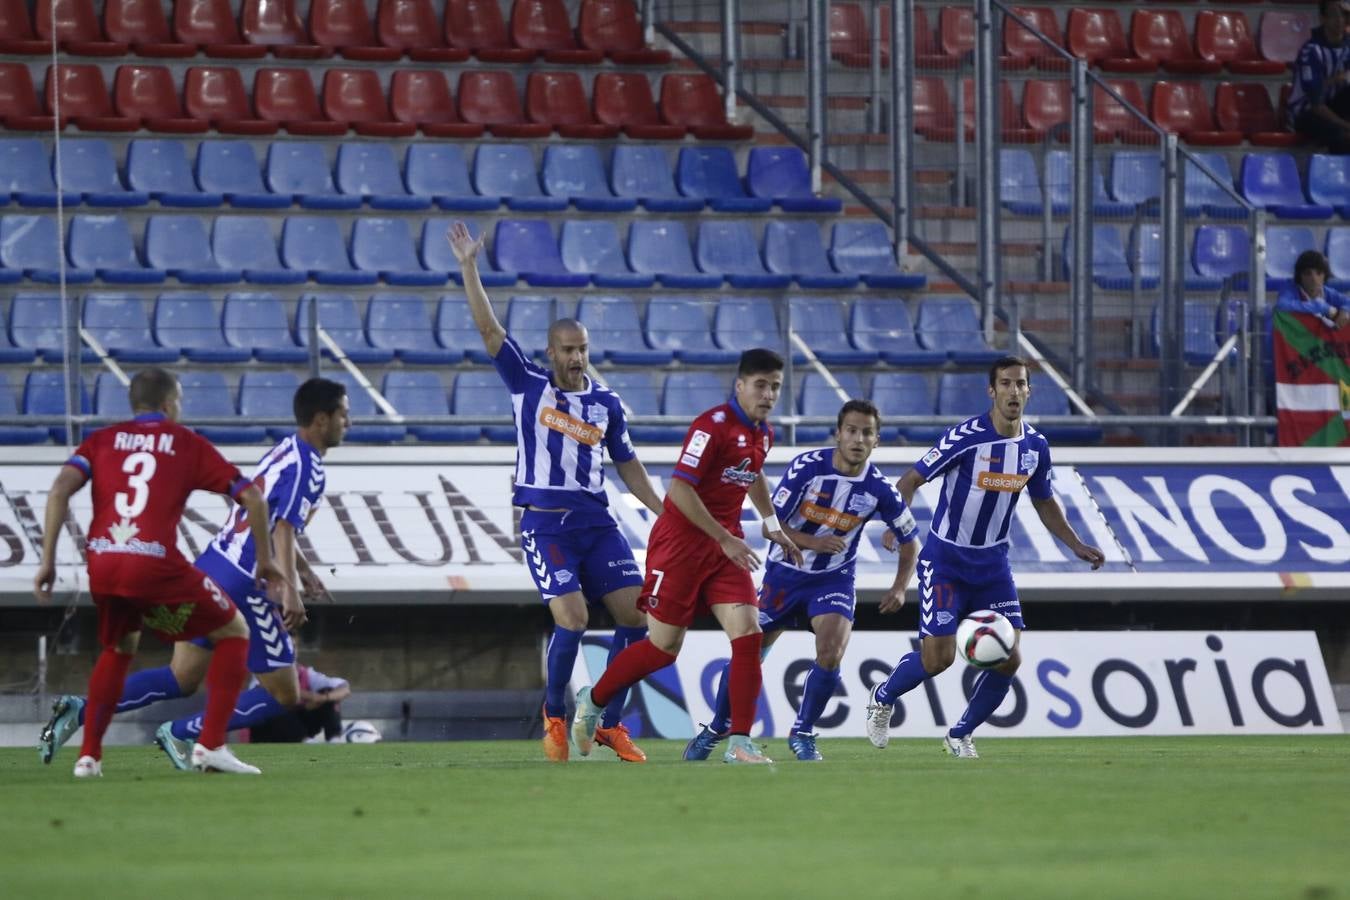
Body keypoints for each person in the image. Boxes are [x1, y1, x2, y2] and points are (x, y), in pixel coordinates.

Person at [38, 377, 348, 770]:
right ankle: (193, 736)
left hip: (212, 564)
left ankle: (81, 711)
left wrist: (303, 570)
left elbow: (271, 517)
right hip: (246, 579)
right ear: (321, 420)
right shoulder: (310, 468)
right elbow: (283, 527)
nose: (347, 423)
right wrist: (288, 588)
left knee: (181, 676)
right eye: (344, 415)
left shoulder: (285, 451)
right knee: (284, 693)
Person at [447, 221, 665, 764]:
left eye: (583, 350)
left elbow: (629, 466)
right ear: (550, 352)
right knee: (572, 619)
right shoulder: (527, 382)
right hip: (545, 523)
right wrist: (470, 268)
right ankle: (554, 718)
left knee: (638, 619)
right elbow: (490, 332)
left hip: (597, 524)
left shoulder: (607, 404)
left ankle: (608, 721)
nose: (576, 358)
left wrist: (668, 514)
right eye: (567, 350)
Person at [571, 349, 804, 765]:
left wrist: (770, 521)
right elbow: (679, 490)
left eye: (776, 387)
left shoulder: (762, 433)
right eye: (761, 385)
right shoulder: (710, 427)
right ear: (740, 385)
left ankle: (739, 743)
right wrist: (723, 538)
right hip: (680, 546)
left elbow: (752, 473)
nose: (768, 394)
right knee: (663, 648)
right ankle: (595, 698)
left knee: (748, 636)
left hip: (723, 550)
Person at [865, 357, 1105, 759]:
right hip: (945, 562)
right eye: (1006, 384)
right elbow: (909, 480)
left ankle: (959, 734)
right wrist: (897, 523)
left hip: (993, 567)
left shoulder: (1035, 447)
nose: (1014, 392)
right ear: (992, 391)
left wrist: (1075, 544)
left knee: (1009, 659)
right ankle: (884, 695)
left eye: (1021, 385)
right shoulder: (966, 438)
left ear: (1030, 391)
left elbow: (1045, 502)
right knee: (937, 659)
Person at [684, 399, 920, 762]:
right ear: (838, 434)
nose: (858, 439)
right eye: (852, 430)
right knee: (749, 653)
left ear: (877, 440)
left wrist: (900, 586)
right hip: (784, 576)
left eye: (867, 433)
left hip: (833, 580)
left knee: (831, 651)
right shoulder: (807, 468)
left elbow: (910, 540)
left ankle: (804, 732)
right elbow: (770, 524)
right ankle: (718, 726)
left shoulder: (880, 489)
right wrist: (812, 542)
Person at [1288, 0, 1350, 153]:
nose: (1340, 21)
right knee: (1338, 135)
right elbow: (1316, 105)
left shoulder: (1348, 45)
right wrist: (1346, 125)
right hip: (1306, 112)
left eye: (1344, 16)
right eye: (1335, 16)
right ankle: (1339, 176)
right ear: (1323, 19)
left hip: (1334, 104)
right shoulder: (1311, 51)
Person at [248, 664, 352, 744]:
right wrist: (309, 697)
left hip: (299, 720)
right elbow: (267, 690)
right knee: (274, 703)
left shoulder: (305, 673)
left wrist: (322, 697)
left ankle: (334, 740)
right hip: (269, 729)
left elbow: (344, 688)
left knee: (328, 692)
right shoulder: (263, 673)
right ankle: (304, 741)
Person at [1275, 249, 1350, 327]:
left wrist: (1346, 310)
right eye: (1308, 273)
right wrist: (1319, 307)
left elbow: (1347, 301)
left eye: (1319, 273)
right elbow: (1281, 305)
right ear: (1300, 276)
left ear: (1325, 275)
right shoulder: (1291, 290)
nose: (1314, 278)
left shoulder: (1328, 293)